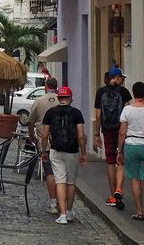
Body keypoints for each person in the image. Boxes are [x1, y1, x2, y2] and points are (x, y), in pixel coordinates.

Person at [41, 86, 87, 225]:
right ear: (70, 98)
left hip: (56, 150)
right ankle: (69, 212)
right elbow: (81, 135)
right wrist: (83, 153)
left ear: (59, 98)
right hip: (72, 151)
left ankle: (61, 214)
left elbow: (44, 135)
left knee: (60, 181)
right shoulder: (77, 113)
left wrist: (44, 151)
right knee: (71, 182)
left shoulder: (50, 112)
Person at [116, 81, 144, 221]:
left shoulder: (127, 110)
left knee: (135, 179)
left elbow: (122, 132)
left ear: (133, 94)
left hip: (131, 145)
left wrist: (119, 150)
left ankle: (139, 211)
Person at [94, 66, 133, 209]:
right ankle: (119, 190)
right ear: (116, 78)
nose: (122, 80)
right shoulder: (123, 92)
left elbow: (98, 115)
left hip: (107, 130)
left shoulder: (100, 92)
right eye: (121, 77)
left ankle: (113, 196)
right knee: (120, 160)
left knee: (110, 162)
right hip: (121, 129)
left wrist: (97, 134)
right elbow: (128, 112)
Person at [26, 77, 60, 214]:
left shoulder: (39, 101)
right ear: (56, 86)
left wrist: (31, 135)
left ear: (46, 86)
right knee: (62, 174)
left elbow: (30, 121)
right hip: (63, 142)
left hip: (45, 142)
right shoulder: (63, 100)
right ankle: (64, 204)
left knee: (50, 172)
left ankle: (53, 203)